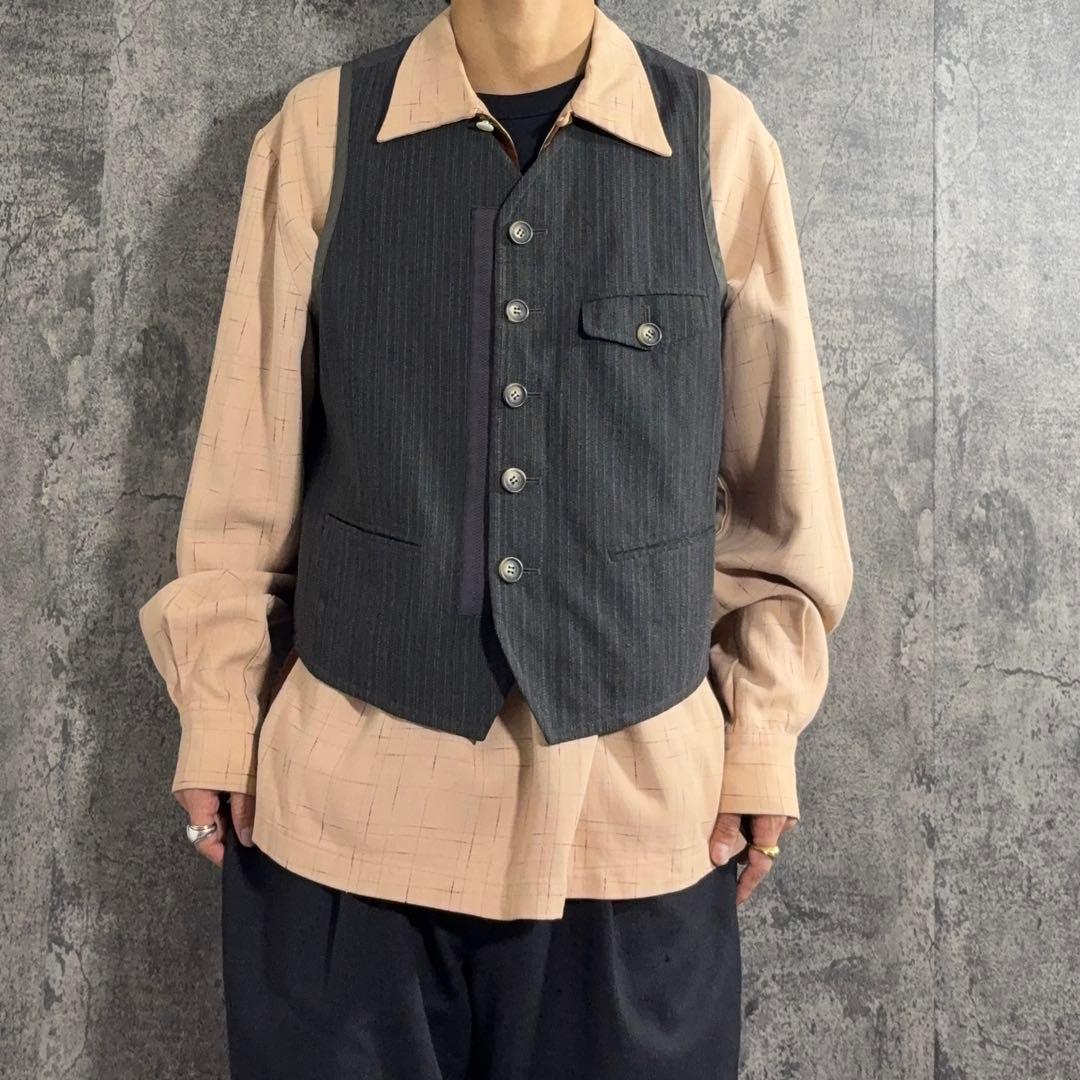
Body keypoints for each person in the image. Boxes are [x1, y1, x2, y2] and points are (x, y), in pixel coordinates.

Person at [137, 1, 854, 1076]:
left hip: (631, 827)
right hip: (346, 816)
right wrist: (217, 712)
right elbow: (245, 472)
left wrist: (761, 733)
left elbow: (782, 500)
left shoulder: (719, 141)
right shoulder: (321, 132)